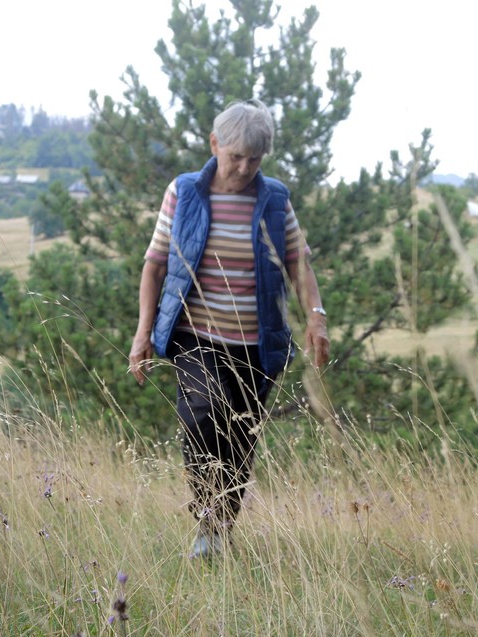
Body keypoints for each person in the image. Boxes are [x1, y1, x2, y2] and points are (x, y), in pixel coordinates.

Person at [128, 99, 329, 559]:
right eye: (235, 155)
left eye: (254, 159)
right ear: (214, 143)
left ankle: (219, 533)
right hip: (195, 335)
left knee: (240, 440)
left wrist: (316, 318)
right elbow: (154, 266)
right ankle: (204, 520)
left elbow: (299, 265)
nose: (243, 167)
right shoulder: (184, 193)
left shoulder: (275, 199)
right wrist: (142, 334)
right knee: (203, 414)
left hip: (257, 345)